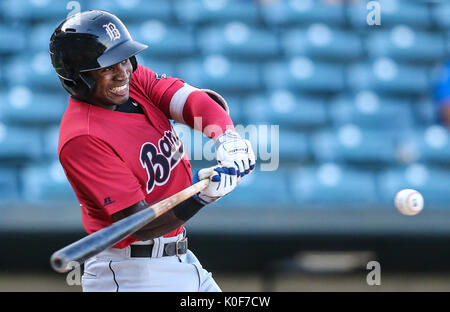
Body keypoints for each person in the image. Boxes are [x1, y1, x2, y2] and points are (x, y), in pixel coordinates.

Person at [49, 10, 255, 292]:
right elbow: (138, 225)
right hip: (132, 274)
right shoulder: (82, 138)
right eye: (108, 67)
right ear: (77, 78)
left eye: (124, 60)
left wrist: (227, 137)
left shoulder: (132, 83)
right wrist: (202, 197)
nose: (123, 72)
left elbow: (189, 99)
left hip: (181, 259)